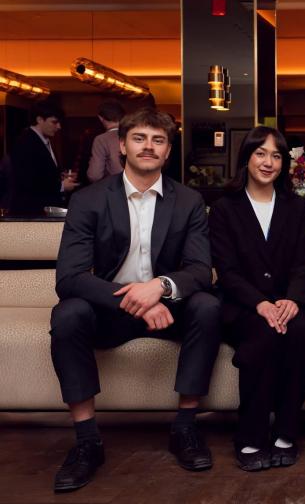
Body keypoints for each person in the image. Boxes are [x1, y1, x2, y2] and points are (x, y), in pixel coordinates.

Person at [49, 108, 221, 493]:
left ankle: (185, 428)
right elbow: (70, 277)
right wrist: (136, 298)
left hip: (167, 309)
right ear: (122, 145)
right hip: (109, 310)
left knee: (208, 306)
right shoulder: (89, 200)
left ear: (168, 151)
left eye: (158, 140)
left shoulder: (188, 201)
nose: (148, 146)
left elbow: (199, 270)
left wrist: (159, 287)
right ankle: (87, 441)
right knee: (67, 314)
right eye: (140, 138)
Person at [209, 126, 305, 472]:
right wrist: (260, 304)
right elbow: (226, 271)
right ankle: (251, 435)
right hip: (243, 307)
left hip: (288, 304)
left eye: (276, 155)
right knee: (264, 334)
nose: (268, 162)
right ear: (247, 157)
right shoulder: (225, 208)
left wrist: (292, 300)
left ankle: (286, 432)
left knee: (300, 331)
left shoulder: (297, 207)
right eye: (261, 153)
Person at [9, 99, 78, 214]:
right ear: (39, 120)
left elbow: (42, 172)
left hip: (42, 210)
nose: (59, 127)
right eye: (54, 122)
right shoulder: (26, 143)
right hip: (31, 212)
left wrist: (59, 175)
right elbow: (27, 181)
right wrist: (61, 186)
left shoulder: (44, 140)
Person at [86, 100, 125, 183]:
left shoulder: (101, 139)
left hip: (115, 187)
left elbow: (94, 175)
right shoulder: (135, 135)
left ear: (100, 118)